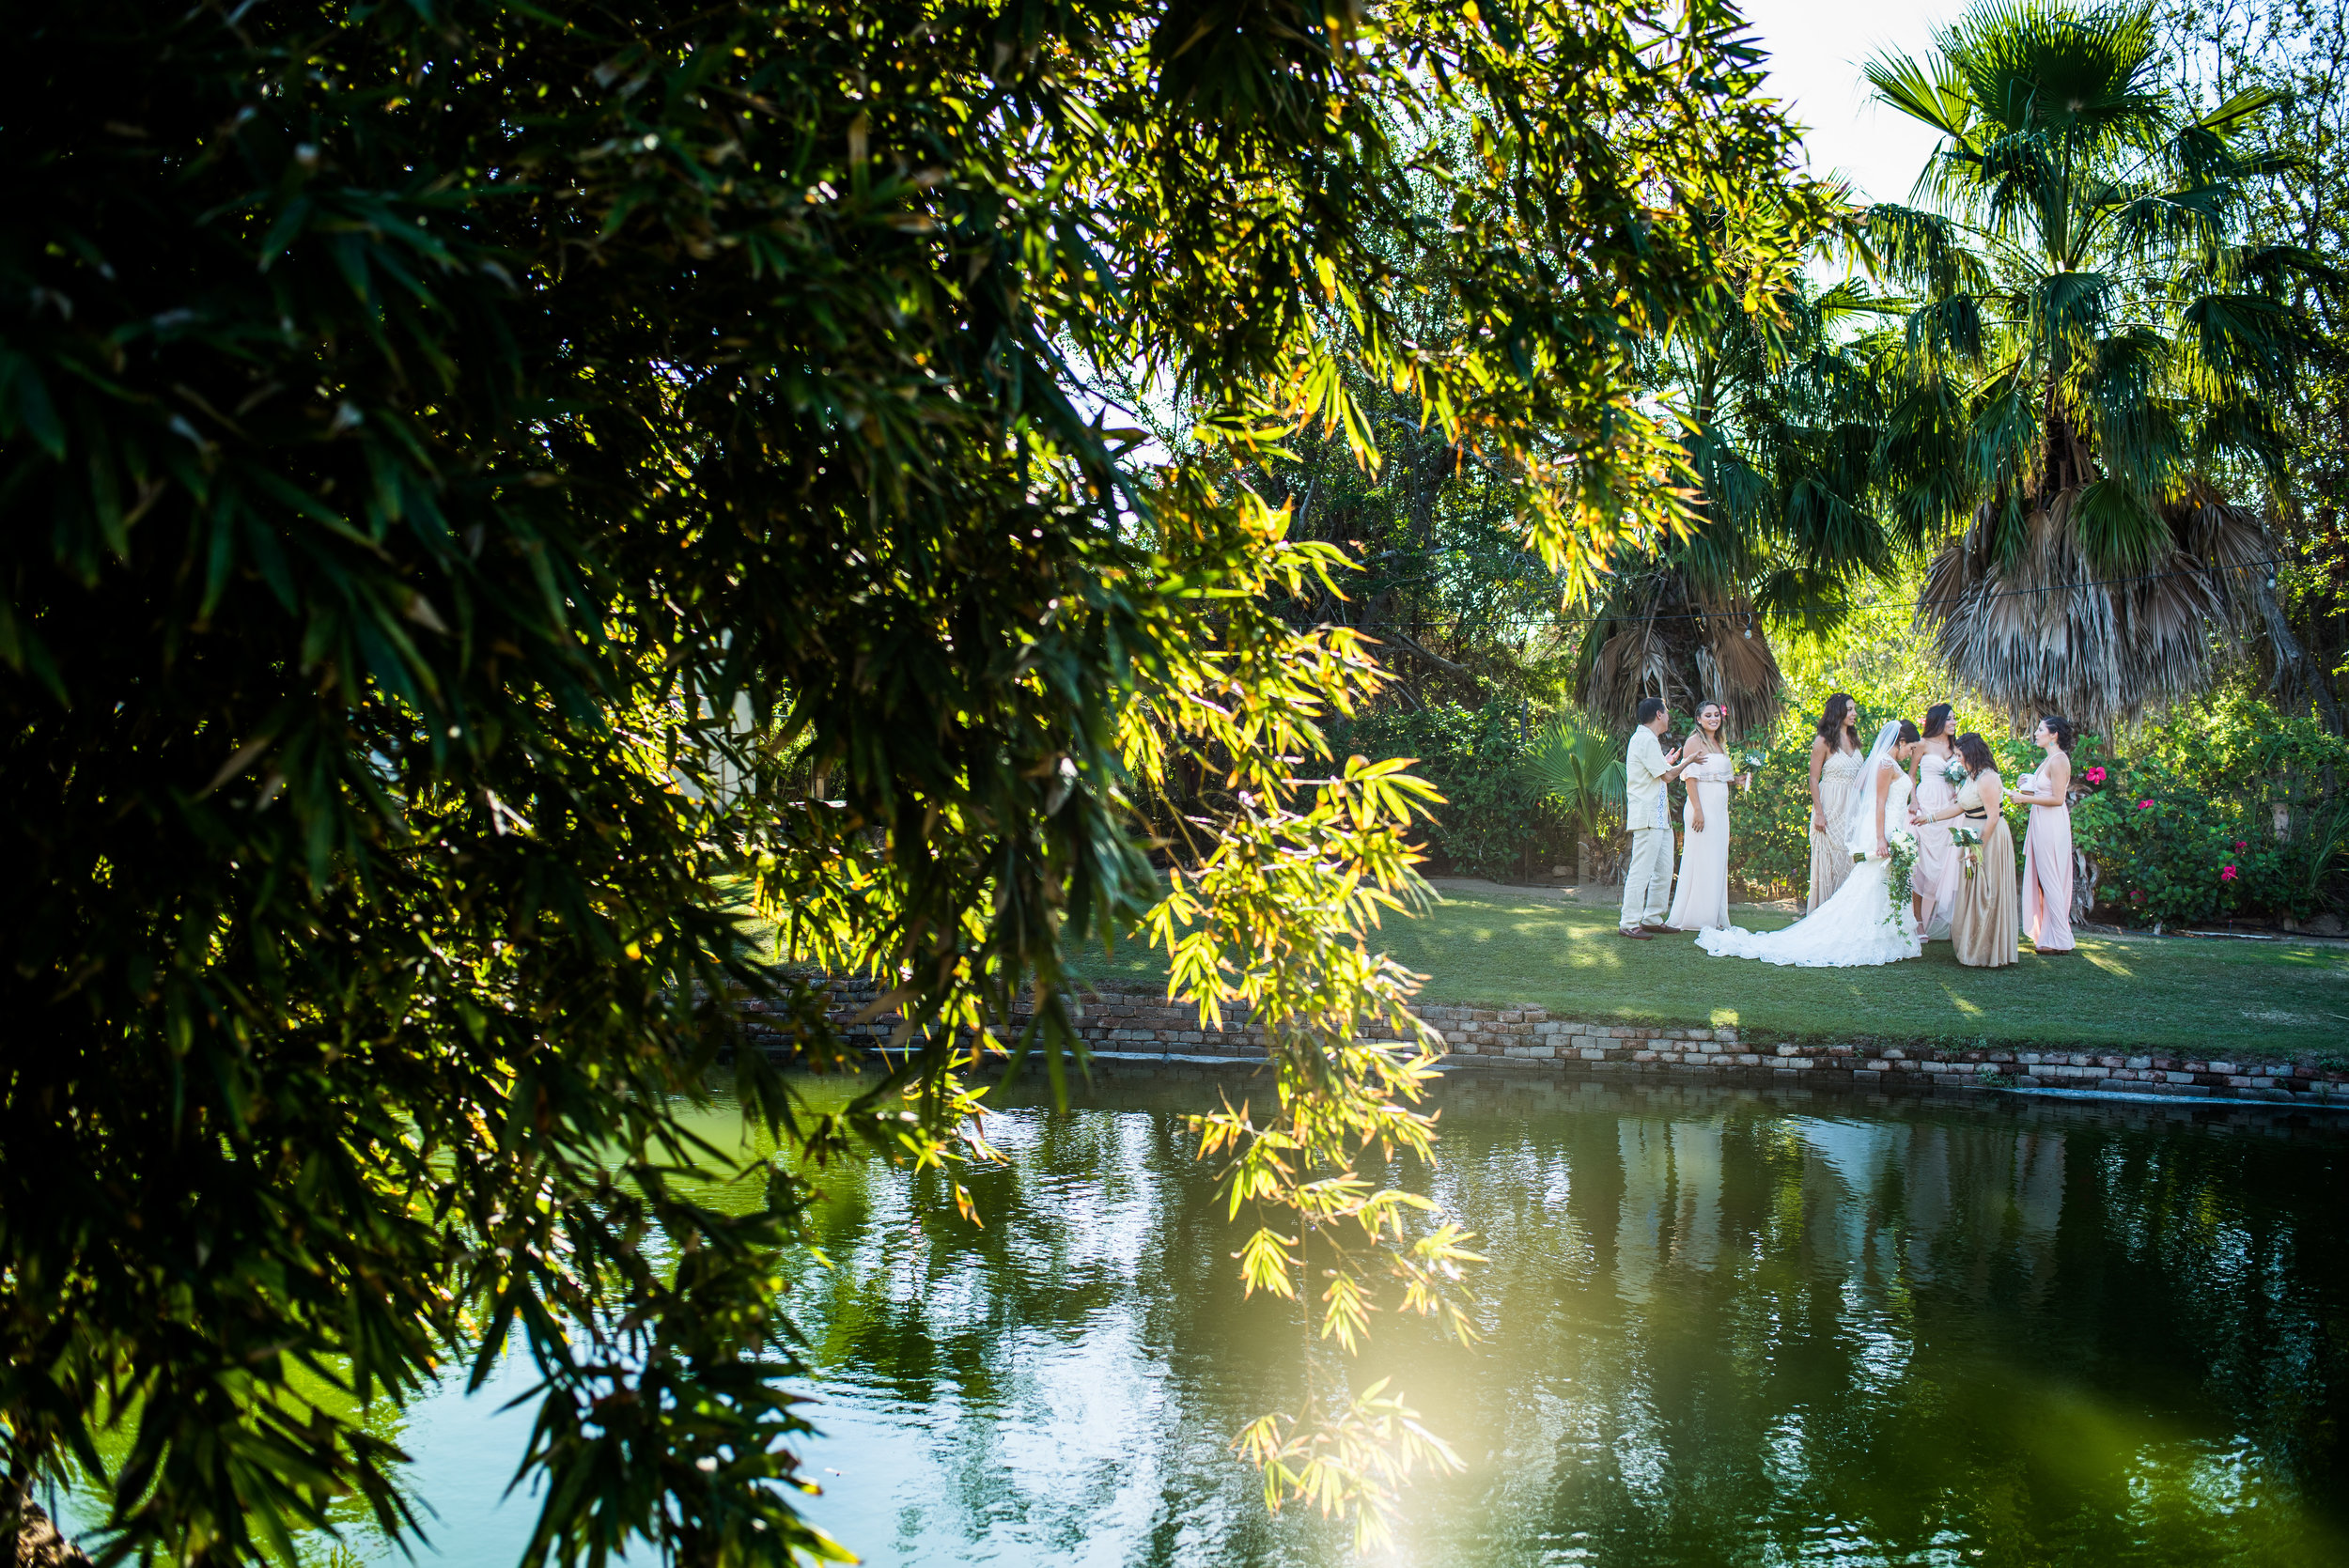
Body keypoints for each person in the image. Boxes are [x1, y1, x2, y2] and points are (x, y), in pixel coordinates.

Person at [1697, 719, 1923, 968]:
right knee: (1869, 885)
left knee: (1884, 885)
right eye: (1910, 748)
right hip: (1885, 832)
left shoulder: (1892, 764)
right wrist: (1881, 838)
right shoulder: (1885, 764)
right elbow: (1879, 803)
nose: (1911, 754)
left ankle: (1889, 937)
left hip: (1895, 829)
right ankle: (1862, 935)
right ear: (1900, 742)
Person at [1924, 731, 2017, 968]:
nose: (1957, 759)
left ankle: (1986, 950)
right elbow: (1961, 806)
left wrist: (1977, 848)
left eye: (1959, 754)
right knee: (1972, 887)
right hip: (1972, 833)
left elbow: (1993, 816)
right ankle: (1972, 943)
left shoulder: (1987, 778)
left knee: (1987, 889)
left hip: (1989, 837)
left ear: (1971, 753)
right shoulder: (1972, 776)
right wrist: (1929, 818)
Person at [1619, 697, 1691, 940]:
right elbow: (1668, 777)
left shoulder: (1649, 740)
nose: (1669, 716)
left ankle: (1652, 918)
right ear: (1659, 715)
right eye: (1667, 712)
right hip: (1648, 816)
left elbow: (1660, 772)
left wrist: (1668, 763)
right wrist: (1686, 762)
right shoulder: (1643, 739)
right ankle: (1629, 922)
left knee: (1663, 870)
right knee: (1641, 870)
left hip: (1661, 817)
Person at [1666, 700, 1741, 931]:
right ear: (1698, 719)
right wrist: (1698, 810)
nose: (1713, 719)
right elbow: (1691, 777)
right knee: (1701, 859)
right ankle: (1696, 917)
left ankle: (1714, 915)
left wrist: (1739, 779)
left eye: (1716, 715)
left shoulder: (1719, 743)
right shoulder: (1694, 741)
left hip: (1719, 808)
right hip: (1702, 806)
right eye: (1708, 715)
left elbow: (1721, 776)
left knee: (1716, 859)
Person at [2009, 713, 2077, 955]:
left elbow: (2058, 799)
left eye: (2040, 730)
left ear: (2053, 734)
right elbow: (2044, 790)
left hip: (2051, 824)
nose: (2036, 734)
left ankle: (2061, 938)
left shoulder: (2059, 760)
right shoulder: (2048, 761)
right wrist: (2025, 788)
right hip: (2041, 822)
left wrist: (2025, 799)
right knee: (2043, 879)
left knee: (2051, 878)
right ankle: (2050, 934)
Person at [1906, 702, 1960, 939]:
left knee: (1947, 865)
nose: (1953, 722)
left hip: (1949, 808)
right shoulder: (1923, 744)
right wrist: (1913, 799)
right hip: (1926, 803)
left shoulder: (1956, 747)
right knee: (1920, 866)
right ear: (1938, 720)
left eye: (1954, 719)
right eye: (1949, 718)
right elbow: (1911, 774)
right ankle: (1917, 922)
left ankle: (1949, 921)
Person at [1807, 693, 1863, 911]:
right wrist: (1819, 813)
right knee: (1831, 860)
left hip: (1853, 806)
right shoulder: (1823, 741)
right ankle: (1826, 912)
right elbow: (1813, 778)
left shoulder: (1854, 740)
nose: (1854, 714)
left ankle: (1846, 913)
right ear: (1838, 711)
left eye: (1854, 709)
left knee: (1851, 857)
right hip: (1830, 806)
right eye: (1850, 709)